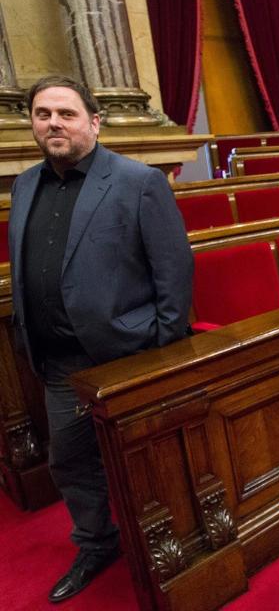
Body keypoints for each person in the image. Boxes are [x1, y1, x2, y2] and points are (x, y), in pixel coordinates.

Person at [7, 75, 194, 602]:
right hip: (61, 362)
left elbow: (173, 271)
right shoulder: (25, 185)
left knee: (147, 463)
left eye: (66, 114)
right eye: (42, 114)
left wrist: (160, 343)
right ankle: (96, 543)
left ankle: (174, 542)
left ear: (94, 120)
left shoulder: (138, 182)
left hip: (127, 355)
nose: (53, 124)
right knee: (70, 461)